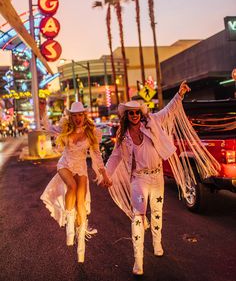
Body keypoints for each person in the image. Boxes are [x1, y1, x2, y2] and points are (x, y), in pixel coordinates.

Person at [105, 81, 220, 275]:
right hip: (139, 180)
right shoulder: (123, 136)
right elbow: (115, 157)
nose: (134, 115)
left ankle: (157, 243)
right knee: (139, 217)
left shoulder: (153, 122)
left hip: (157, 177)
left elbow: (168, 110)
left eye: (137, 112)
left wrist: (180, 94)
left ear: (141, 114)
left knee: (157, 212)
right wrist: (105, 175)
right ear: (126, 116)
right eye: (131, 113)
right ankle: (138, 260)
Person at [40, 101, 111, 263]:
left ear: (84, 116)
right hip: (65, 165)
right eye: (74, 115)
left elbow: (97, 156)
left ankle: (81, 249)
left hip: (80, 168)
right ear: (70, 117)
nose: (78, 118)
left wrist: (104, 175)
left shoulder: (92, 133)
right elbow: (47, 127)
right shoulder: (65, 129)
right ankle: (69, 228)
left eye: (80, 115)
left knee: (81, 205)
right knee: (71, 186)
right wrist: (43, 111)